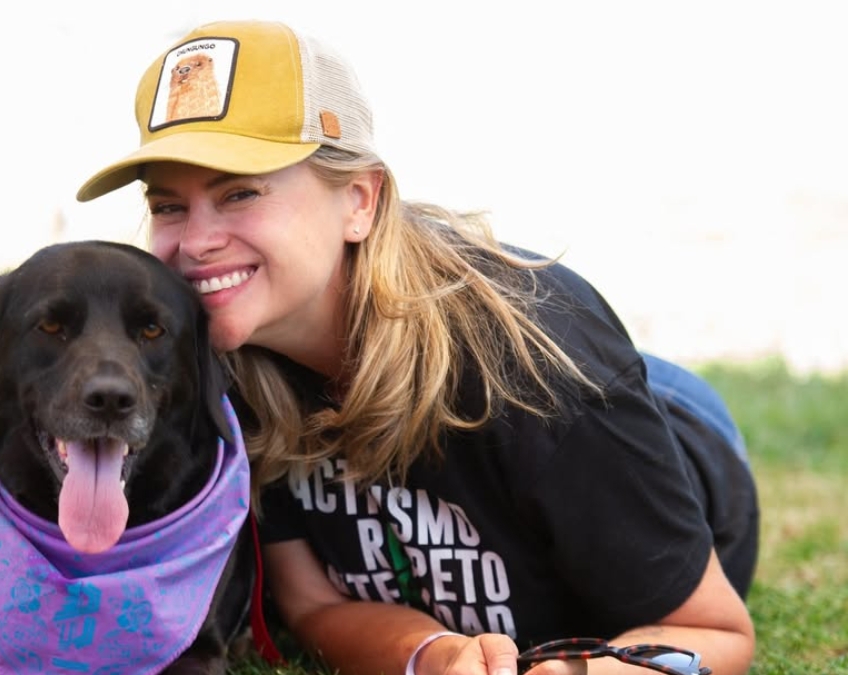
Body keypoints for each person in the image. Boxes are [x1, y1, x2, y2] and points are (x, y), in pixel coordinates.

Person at [75, 19, 759, 675]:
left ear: (360, 201)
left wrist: (578, 673)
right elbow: (312, 604)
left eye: (240, 193)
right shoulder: (224, 354)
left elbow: (715, 632)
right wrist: (429, 653)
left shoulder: (541, 371)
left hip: (665, 417)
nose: (196, 242)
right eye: (168, 205)